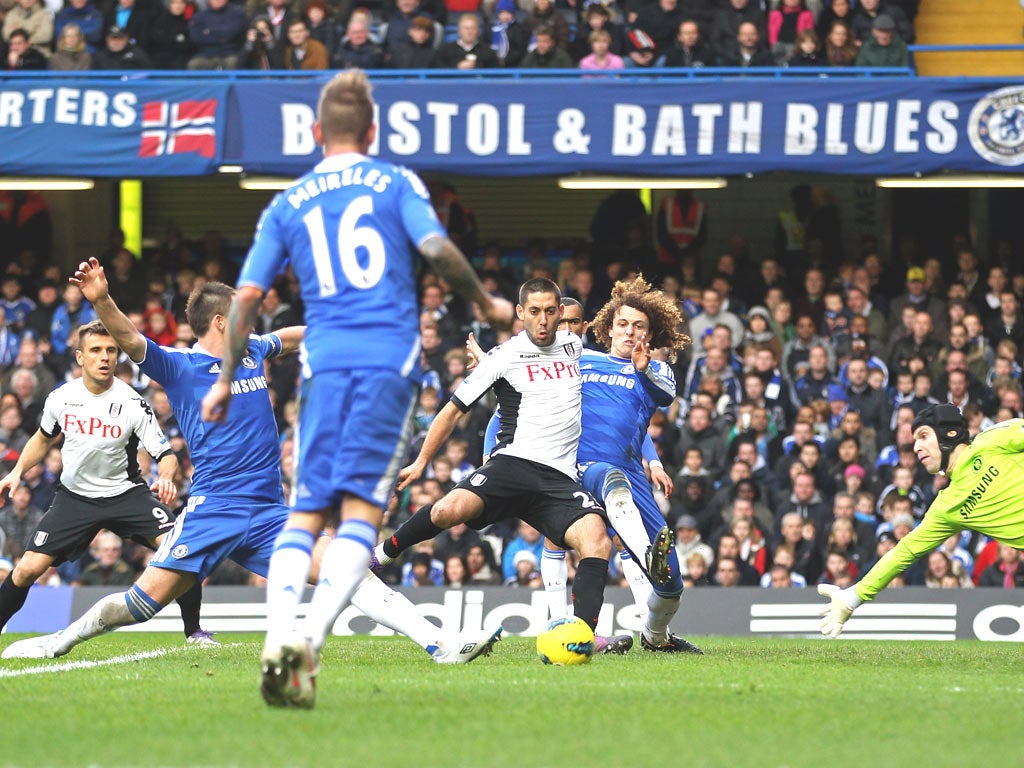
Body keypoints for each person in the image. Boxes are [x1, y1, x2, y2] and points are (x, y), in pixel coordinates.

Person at [3, 263, 503, 672]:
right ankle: (60, 642)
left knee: (347, 569)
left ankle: (440, 645)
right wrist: (100, 300)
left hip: (268, 514)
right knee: (140, 604)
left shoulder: (251, 353)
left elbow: (288, 338)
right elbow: (132, 340)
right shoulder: (180, 367)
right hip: (214, 510)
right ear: (221, 322)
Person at [199, 70, 512, 709]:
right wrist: (487, 301)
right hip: (385, 365)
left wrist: (227, 377)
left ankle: (279, 637)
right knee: (359, 518)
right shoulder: (395, 182)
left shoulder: (287, 202)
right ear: (372, 131)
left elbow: (249, 298)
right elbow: (437, 249)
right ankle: (306, 641)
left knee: (306, 511)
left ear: (316, 133)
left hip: (322, 364)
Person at [372, 278, 617, 646]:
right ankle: (383, 553)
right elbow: (452, 411)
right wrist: (422, 460)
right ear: (521, 313)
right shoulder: (504, 356)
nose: (544, 320)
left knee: (596, 540)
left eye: (551, 311)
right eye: (534, 312)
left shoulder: (573, 346)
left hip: (559, 479)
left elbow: (614, 358)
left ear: (561, 312)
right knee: (447, 510)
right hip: (512, 465)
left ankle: (580, 636)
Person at [0, 320, 209, 644]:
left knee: (181, 549)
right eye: (96, 350)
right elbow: (43, 439)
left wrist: (167, 478)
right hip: (75, 499)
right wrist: (16, 472)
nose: (105, 357)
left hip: (126, 494)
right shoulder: (61, 397)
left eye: (111, 350)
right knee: (27, 568)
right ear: (80, 357)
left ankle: (194, 632)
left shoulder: (133, 403)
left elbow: (166, 455)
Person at [819, 404, 1024, 637]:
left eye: (923, 436)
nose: (916, 447)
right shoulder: (947, 506)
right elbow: (904, 552)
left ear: (950, 433)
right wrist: (852, 597)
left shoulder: (992, 440)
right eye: (915, 440)